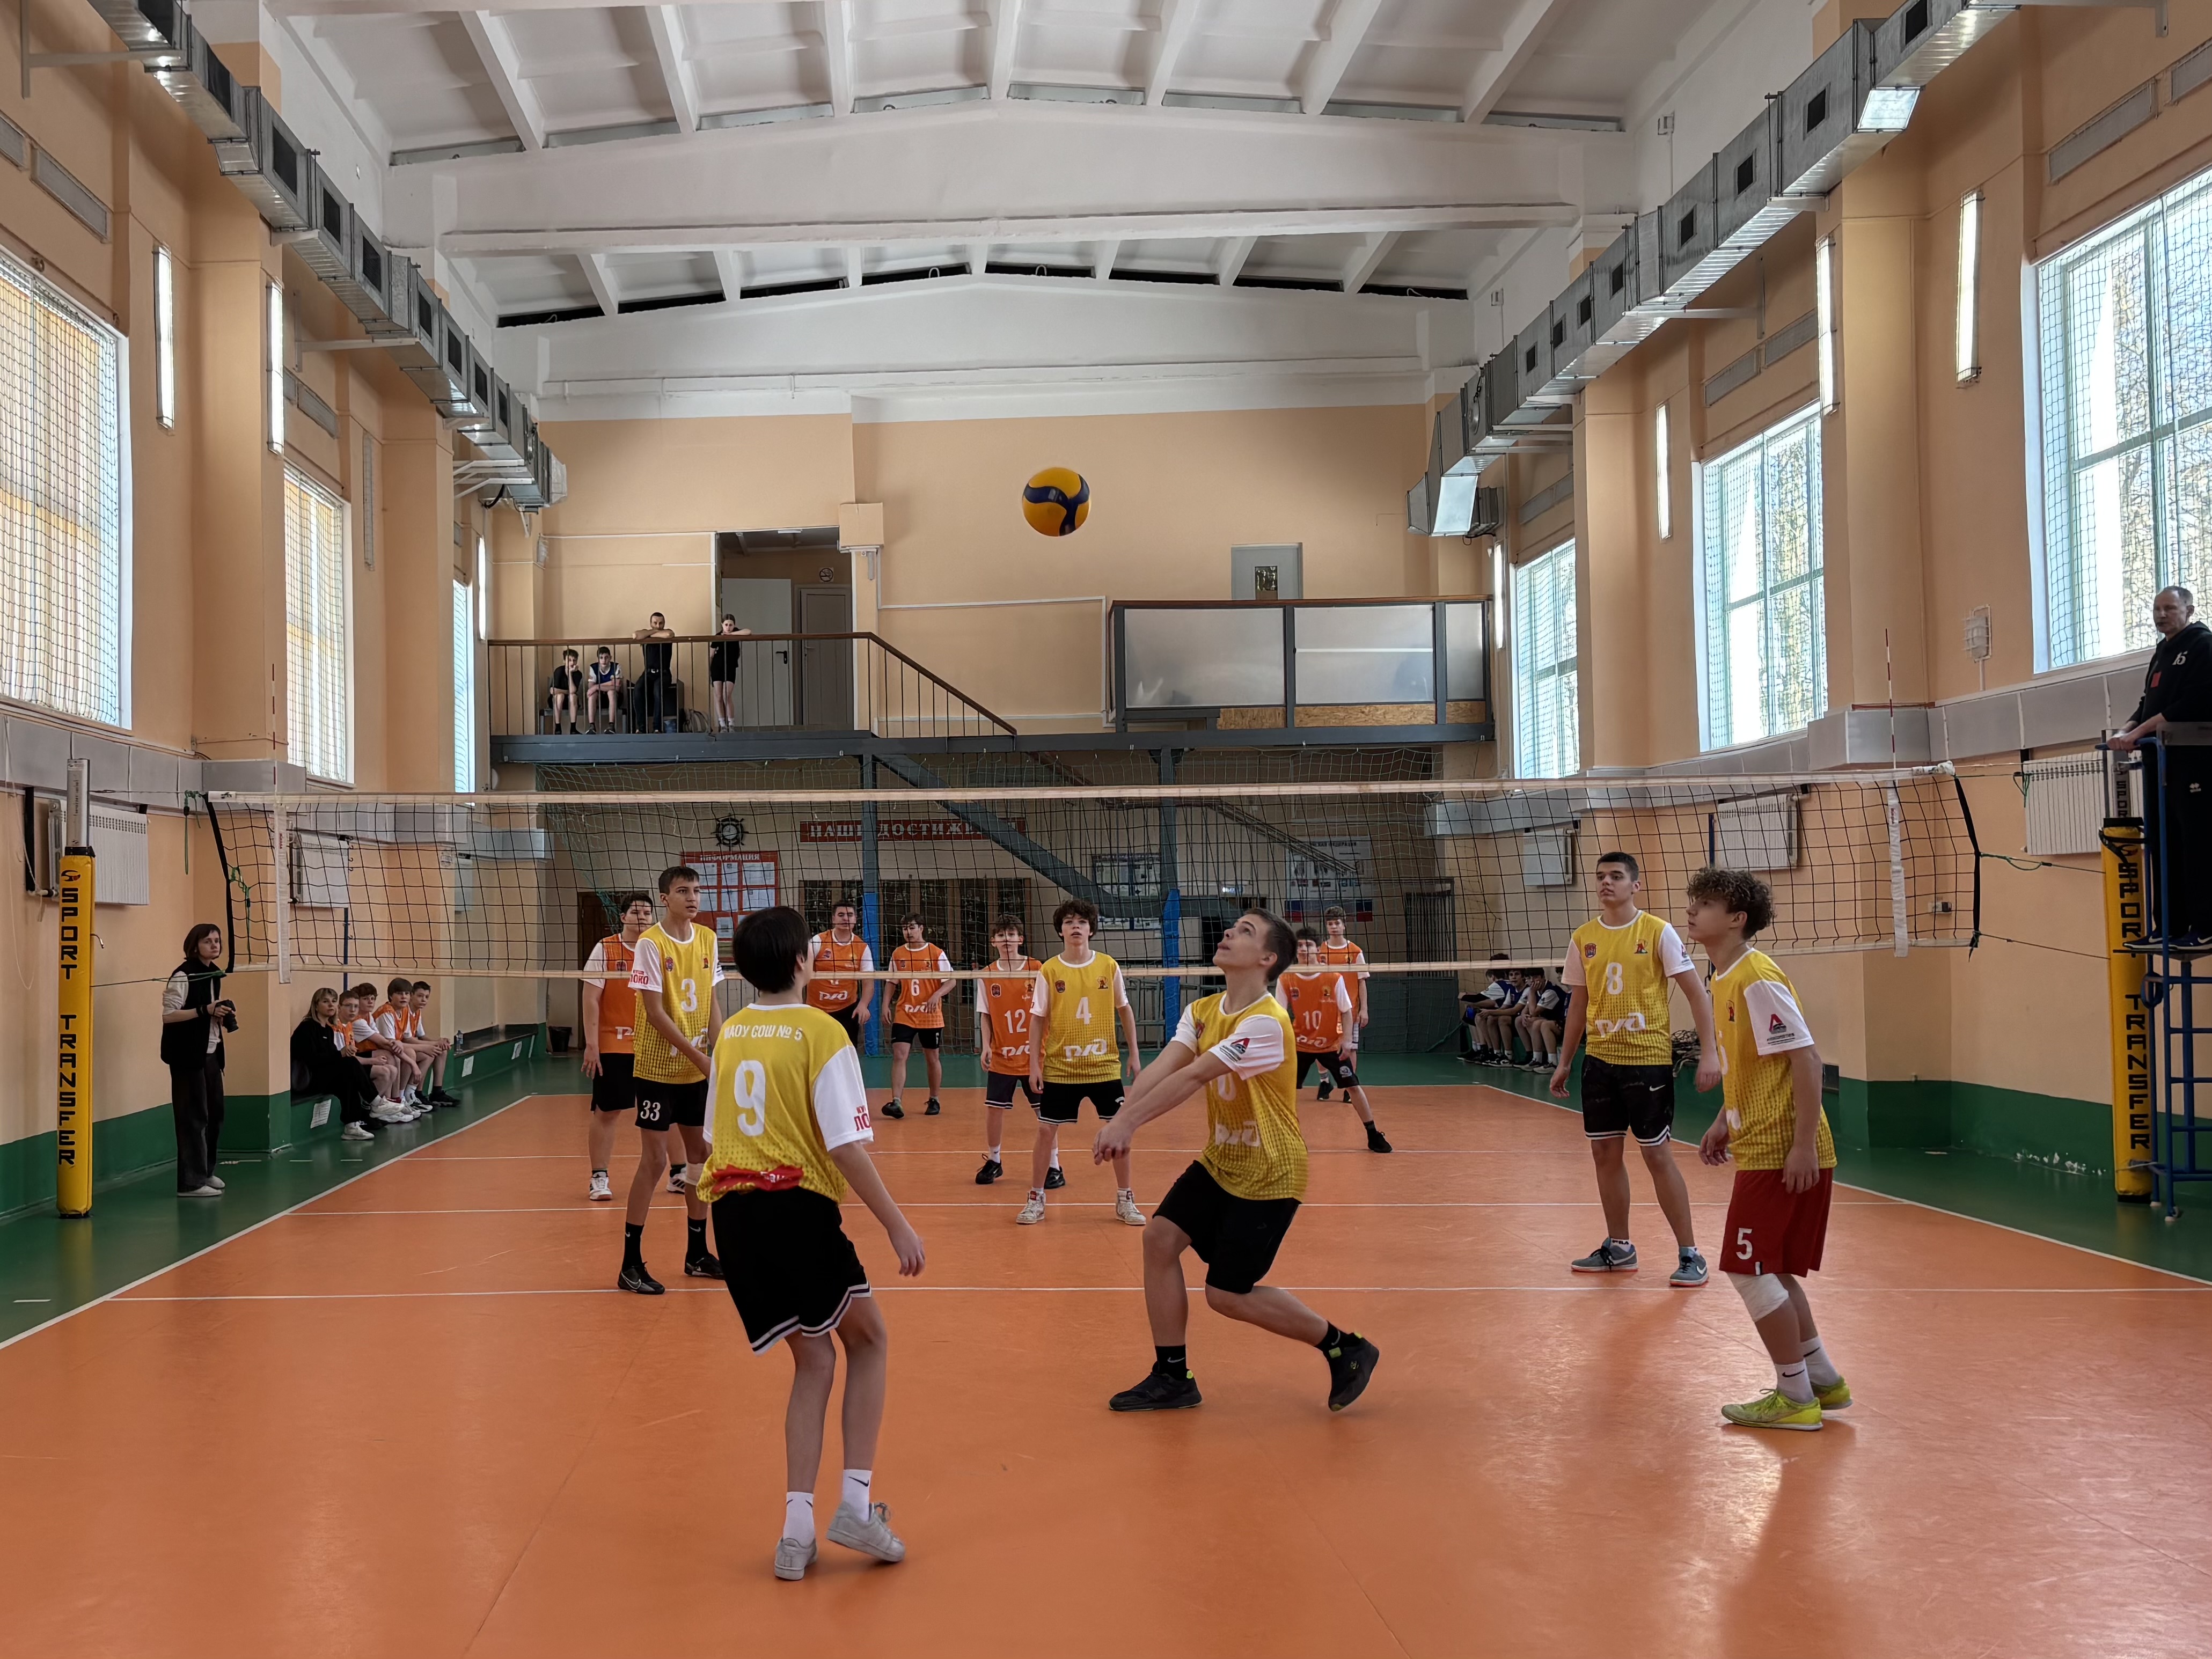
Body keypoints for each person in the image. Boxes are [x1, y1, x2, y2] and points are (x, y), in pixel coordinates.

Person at [695, 905, 926, 1581]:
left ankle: (796, 1534)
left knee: (815, 1359)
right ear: (804, 962)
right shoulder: (824, 1032)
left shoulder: (731, 1034)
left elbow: (711, 1137)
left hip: (733, 1216)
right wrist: (897, 1223)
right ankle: (855, 1503)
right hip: (795, 1207)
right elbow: (846, 1146)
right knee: (870, 1340)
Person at [1094, 909, 1380, 1414]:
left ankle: (1344, 1346)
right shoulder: (1203, 1009)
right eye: (1233, 927)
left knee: (1226, 1295)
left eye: (1246, 931)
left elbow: (1194, 1077)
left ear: (1268, 959)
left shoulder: (1267, 1023)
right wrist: (1122, 1117)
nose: (1229, 932)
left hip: (1271, 1171)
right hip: (1222, 1159)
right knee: (1159, 1238)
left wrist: (1129, 1125)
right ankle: (1172, 1377)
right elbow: (1165, 1067)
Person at [1684, 866, 1849, 1431]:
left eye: (1706, 904)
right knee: (1772, 1268)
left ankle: (1794, 1396)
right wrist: (1724, 1119)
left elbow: (1806, 1059)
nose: (1692, 911)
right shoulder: (1724, 975)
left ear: (1737, 918)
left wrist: (1802, 1146)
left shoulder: (1756, 977)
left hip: (1781, 1148)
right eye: (1694, 902)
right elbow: (1756, 1063)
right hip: (1760, 1139)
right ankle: (1822, 1380)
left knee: (1748, 1270)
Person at [1550, 850, 1722, 1287]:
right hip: (1600, 1061)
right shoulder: (1583, 938)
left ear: (1635, 886)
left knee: (1656, 1155)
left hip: (1647, 1061)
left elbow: (1697, 993)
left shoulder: (1658, 931)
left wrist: (1710, 1053)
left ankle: (1690, 1253)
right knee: (1604, 1154)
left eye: (1616, 876)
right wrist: (1565, 1061)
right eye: (1600, 876)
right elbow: (1578, 1005)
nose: (1606, 883)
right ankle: (1620, 1247)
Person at [619, 864, 726, 1293]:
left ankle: (697, 1254)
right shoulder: (651, 942)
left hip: (695, 1070)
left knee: (700, 1158)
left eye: (697, 890)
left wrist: (721, 1053)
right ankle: (630, 1264)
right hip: (657, 1070)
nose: (693, 898)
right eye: (683, 891)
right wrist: (701, 1057)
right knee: (656, 1161)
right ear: (665, 898)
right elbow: (654, 1013)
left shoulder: (708, 939)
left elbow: (712, 1003)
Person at [1020, 898, 1144, 1227]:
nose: (1076, 926)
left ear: (1091, 930)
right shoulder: (1050, 970)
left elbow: (1125, 1009)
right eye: (1069, 922)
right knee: (1045, 1130)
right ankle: (1036, 1198)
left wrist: (1134, 1053)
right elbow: (1037, 1019)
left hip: (1103, 1066)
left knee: (1120, 1132)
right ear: (1060, 930)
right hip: (1061, 1067)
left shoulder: (1108, 966)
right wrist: (1034, 1065)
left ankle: (1125, 1198)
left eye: (1082, 922)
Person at [2111, 585, 2212, 943]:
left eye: (2169, 608)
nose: (2161, 615)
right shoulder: (2162, 652)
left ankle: (2205, 927)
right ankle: (2169, 926)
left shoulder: (2202, 645)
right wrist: (2124, 731)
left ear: (2189, 610)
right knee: (2163, 842)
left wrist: (2140, 731)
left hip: (2193, 761)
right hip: (2160, 762)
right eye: (2157, 609)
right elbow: (2148, 702)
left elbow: (2194, 702)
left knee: (2196, 843)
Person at [1280, 929, 1391, 1153]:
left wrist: (1347, 1039)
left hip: (1331, 1044)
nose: (1303, 950)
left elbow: (1346, 1011)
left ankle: (1373, 1134)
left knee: (1354, 1087)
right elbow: (1279, 1014)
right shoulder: (1287, 978)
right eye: (1300, 946)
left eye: (1308, 945)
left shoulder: (1333, 978)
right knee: (1283, 1091)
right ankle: (1282, 1136)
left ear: (1317, 950)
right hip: (1300, 1045)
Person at [582, 892, 653, 1201]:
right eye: (636, 912)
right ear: (623, 917)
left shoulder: (660, 948)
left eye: (647, 913)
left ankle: (679, 1172)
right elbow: (590, 998)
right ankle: (599, 1177)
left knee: (668, 1112)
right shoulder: (606, 948)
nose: (642, 917)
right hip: (614, 1043)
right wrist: (592, 1044)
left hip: (652, 1044)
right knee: (608, 1111)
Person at [162, 923, 237, 1195]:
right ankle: (190, 1183)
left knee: (215, 1115)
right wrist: (205, 1010)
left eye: (217, 941)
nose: (215, 945)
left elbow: (208, 1010)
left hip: (212, 1053)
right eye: (208, 941)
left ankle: (206, 1172)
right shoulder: (183, 975)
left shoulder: (213, 974)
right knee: (193, 1118)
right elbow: (168, 1016)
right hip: (187, 1056)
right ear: (195, 946)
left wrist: (220, 1013)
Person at [975, 915, 1044, 1184]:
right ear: (994, 941)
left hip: (1034, 1056)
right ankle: (994, 1160)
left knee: (1044, 1113)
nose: (1007, 940)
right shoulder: (987, 974)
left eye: (1011, 935)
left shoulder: (1037, 969)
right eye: (1001, 935)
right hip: (1003, 1055)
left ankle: (1054, 1165)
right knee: (994, 1109)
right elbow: (985, 1015)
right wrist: (986, 1046)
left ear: (1020, 939)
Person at [884, 915, 951, 1120]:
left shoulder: (936, 953)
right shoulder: (898, 954)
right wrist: (885, 1005)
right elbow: (891, 982)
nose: (908, 932)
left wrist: (937, 994)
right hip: (905, 1012)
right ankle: (896, 1102)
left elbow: (951, 981)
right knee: (899, 1054)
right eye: (905, 928)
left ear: (921, 928)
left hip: (930, 1015)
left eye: (912, 928)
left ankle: (934, 1099)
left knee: (932, 1057)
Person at [1313, 906, 1369, 1100]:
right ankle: (1324, 1082)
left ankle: (1349, 1086)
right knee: (1321, 1047)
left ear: (1344, 925)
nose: (1334, 927)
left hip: (1350, 1010)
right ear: (1327, 927)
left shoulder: (1355, 951)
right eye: (1330, 924)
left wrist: (1364, 1009)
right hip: (1326, 1009)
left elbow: (1362, 981)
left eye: (1337, 923)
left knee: (1350, 1048)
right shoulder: (1320, 951)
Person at [804, 900, 875, 1048]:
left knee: (847, 1052)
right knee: (816, 1052)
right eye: (841, 915)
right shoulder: (818, 941)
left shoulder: (862, 948)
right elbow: (803, 973)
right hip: (817, 1009)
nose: (845, 919)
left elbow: (868, 982)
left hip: (847, 1010)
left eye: (850, 915)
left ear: (855, 919)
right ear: (833, 919)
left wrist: (863, 1005)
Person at [337, 989, 409, 1124]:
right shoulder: (341, 1026)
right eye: (349, 1006)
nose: (353, 1010)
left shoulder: (350, 1025)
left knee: (392, 1068)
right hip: (342, 1069)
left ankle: (386, 1106)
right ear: (339, 1007)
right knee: (385, 1070)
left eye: (355, 1006)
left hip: (354, 1063)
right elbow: (344, 1060)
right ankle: (370, 1111)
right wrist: (373, 1061)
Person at [350, 982, 421, 1117]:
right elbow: (384, 1042)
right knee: (390, 1056)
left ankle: (396, 1100)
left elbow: (387, 1042)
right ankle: (387, 1103)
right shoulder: (358, 1021)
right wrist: (412, 1064)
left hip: (364, 1055)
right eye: (366, 999)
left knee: (394, 1057)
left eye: (373, 998)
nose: (370, 1002)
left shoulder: (368, 1016)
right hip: (357, 1058)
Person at [372, 977, 429, 1107]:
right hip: (376, 1050)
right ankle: (395, 1099)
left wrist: (432, 1046)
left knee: (427, 1054)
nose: (404, 997)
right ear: (391, 996)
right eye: (399, 993)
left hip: (389, 1048)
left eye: (407, 993)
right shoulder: (386, 1012)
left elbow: (407, 1038)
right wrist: (415, 1061)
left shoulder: (404, 1011)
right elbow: (391, 1044)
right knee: (402, 1056)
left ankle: (406, 1095)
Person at [401, 981, 457, 1105]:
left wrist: (438, 1043)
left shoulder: (417, 1012)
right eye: (420, 996)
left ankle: (437, 1091)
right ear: (411, 995)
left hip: (411, 1046)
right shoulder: (405, 1011)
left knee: (442, 1050)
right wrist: (434, 1044)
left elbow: (422, 1036)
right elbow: (407, 1039)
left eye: (427, 997)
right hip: (404, 1047)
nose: (424, 1000)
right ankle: (416, 1092)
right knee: (430, 1054)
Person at [1462, 953, 1519, 1062]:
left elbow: (1484, 1000)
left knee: (1477, 1014)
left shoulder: (1500, 984)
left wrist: (1463, 996)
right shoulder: (1505, 984)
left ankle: (1486, 1050)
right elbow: (1495, 1002)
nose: (1514, 977)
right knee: (1472, 1011)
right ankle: (1478, 1048)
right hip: (1503, 1009)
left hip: (1509, 1014)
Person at [633, 612, 678, 731]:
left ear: (664, 623)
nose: (658, 626)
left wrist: (650, 635)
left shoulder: (666, 632)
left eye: (661, 623)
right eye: (655, 623)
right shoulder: (646, 633)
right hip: (648, 673)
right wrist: (654, 633)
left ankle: (657, 728)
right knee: (638, 689)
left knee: (658, 690)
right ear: (651, 623)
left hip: (664, 673)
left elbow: (669, 634)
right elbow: (636, 635)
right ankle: (641, 728)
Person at [709, 614, 752, 733]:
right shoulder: (718, 636)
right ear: (722, 625)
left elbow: (748, 632)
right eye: (726, 625)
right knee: (718, 696)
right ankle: (723, 725)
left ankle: (731, 723)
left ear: (734, 625)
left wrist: (731, 635)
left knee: (726, 695)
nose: (728, 627)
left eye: (730, 625)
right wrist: (709, 671)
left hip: (731, 667)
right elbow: (711, 655)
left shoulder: (736, 633)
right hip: (717, 667)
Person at [1517, 968, 1565, 1070]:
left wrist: (1531, 992)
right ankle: (1532, 1055)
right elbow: (1525, 1011)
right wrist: (1523, 1015)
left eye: (1536, 978)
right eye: (1529, 978)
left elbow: (1533, 1012)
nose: (1532, 981)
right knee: (1519, 1020)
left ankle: (1550, 1061)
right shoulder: (1537, 991)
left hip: (1560, 1024)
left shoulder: (1550, 991)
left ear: (1543, 978)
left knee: (1535, 1022)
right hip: (1548, 1022)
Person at [586, 646, 625, 733]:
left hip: (615, 699)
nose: (604, 660)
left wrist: (597, 687)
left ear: (610, 658)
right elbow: (591, 687)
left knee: (611, 692)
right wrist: (611, 683)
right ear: (598, 659)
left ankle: (611, 726)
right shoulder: (594, 667)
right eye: (601, 658)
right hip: (599, 699)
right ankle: (592, 726)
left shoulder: (616, 667)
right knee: (592, 695)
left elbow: (617, 687)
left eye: (606, 657)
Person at [547, 648, 583, 733]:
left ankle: (573, 729)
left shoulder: (578, 674)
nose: (572, 663)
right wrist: (567, 692)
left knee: (573, 697)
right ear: (564, 661)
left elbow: (573, 691)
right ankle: (558, 728)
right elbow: (553, 691)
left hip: (571, 702)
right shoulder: (559, 671)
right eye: (569, 660)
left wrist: (570, 674)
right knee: (560, 696)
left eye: (574, 660)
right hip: (556, 701)